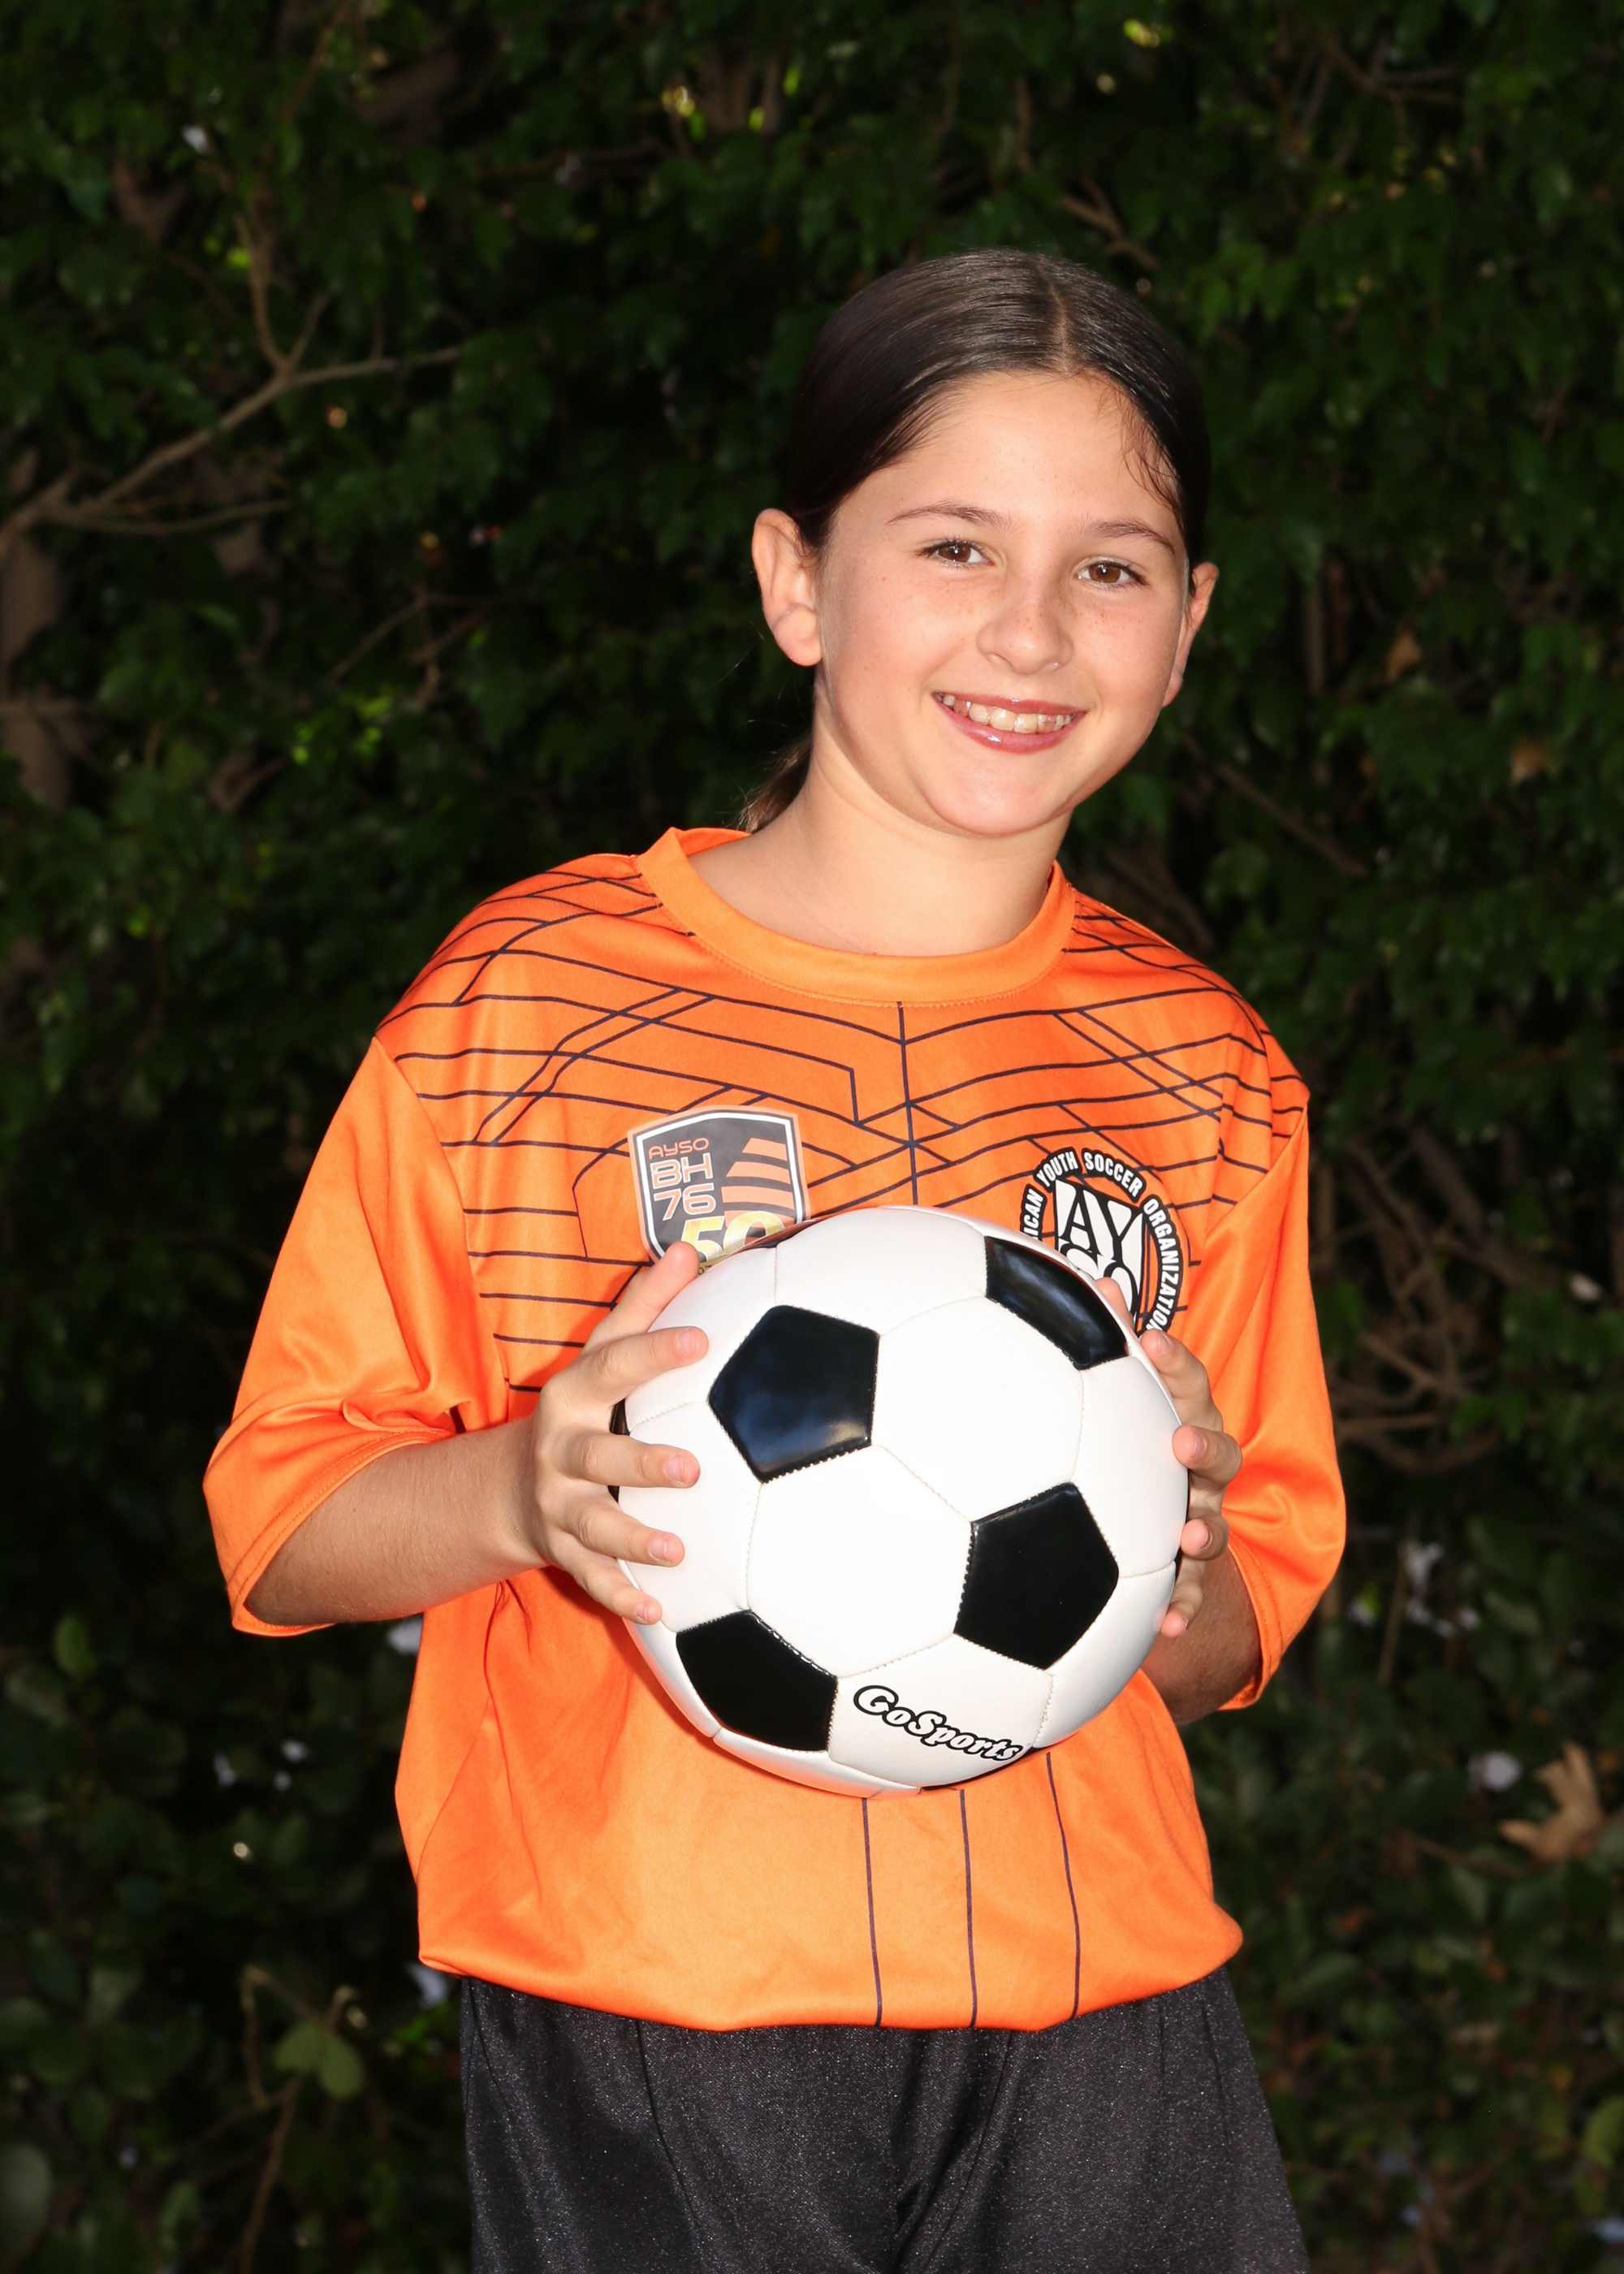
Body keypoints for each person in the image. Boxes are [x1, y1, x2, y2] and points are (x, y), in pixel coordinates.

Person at [205, 249, 1343, 2273]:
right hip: (654, 2008)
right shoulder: (529, 999)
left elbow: (1239, 1619)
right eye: (954, 544)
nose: (1029, 628)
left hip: (1102, 2008)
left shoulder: (1206, 1068)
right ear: (795, 579)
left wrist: (1163, 1560)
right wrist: (523, 1486)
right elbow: (281, 1525)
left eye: (1109, 566)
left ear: (1186, 629)